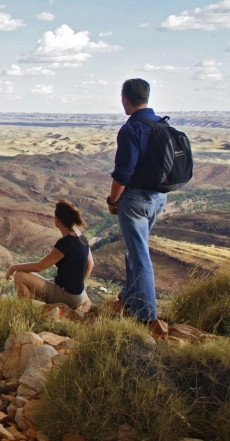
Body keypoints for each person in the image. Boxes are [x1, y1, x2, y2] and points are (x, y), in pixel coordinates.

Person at [107, 78, 167, 323]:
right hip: (158, 198)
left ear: (125, 99)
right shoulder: (161, 125)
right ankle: (131, 300)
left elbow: (123, 172)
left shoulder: (131, 129)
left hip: (135, 200)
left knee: (139, 256)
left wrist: (113, 200)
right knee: (134, 252)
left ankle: (145, 316)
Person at [5, 200, 93, 309]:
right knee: (34, 286)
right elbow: (91, 265)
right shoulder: (81, 237)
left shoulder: (65, 243)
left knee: (20, 275)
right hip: (78, 295)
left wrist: (14, 267)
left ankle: (25, 312)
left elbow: (39, 266)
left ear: (57, 220)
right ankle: (31, 309)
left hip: (67, 296)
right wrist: (78, 286)